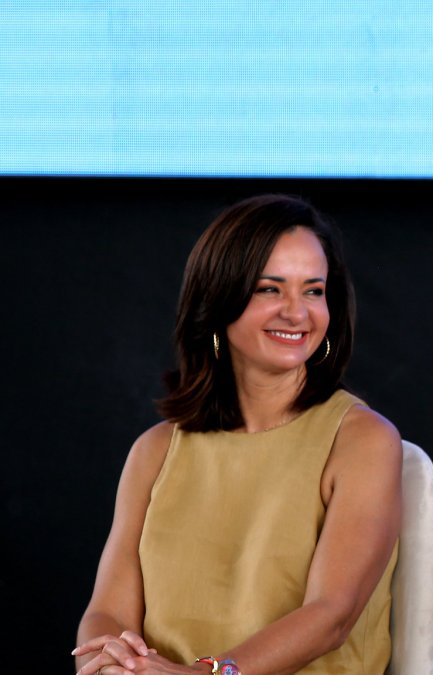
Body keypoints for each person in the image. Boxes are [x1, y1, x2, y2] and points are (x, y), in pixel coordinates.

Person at [74, 195, 404, 675]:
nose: (297, 313)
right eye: (270, 289)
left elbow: (331, 616)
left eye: (313, 291)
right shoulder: (156, 449)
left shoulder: (363, 440)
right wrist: (110, 662)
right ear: (218, 300)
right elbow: (107, 612)